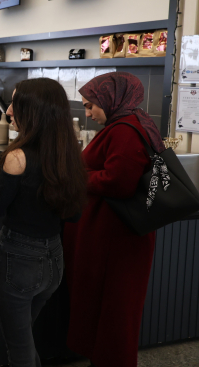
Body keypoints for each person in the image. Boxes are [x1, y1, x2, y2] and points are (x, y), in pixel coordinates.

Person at [0, 78, 87, 367]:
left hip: (20, 261)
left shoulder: (18, 157)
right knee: (24, 340)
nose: (9, 110)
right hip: (53, 261)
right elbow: (73, 214)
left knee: (19, 349)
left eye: (15, 104)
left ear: (33, 110)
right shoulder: (68, 155)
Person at [64, 72, 163, 367]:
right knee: (106, 312)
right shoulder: (126, 125)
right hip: (112, 237)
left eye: (90, 106)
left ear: (111, 99)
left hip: (116, 241)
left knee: (114, 313)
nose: (88, 113)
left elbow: (119, 181)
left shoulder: (125, 130)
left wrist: (78, 177)